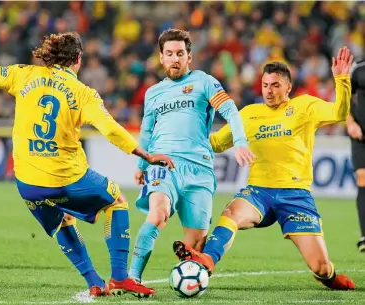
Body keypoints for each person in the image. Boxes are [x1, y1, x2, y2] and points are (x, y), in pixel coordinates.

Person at [0, 8, 174, 298]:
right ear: (78, 59)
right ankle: (120, 277)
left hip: (27, 183)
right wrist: (145, 155)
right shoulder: (83, 92)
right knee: (117, 201)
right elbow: (109, 128)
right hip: (65, 177)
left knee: (61, 222)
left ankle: (94, 282)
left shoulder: (23, 74)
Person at [174, 48, 356, 290]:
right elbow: (217, 143)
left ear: (288, 87)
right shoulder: (249, 114)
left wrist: (341, 80)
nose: (269, 91)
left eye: (275, 85)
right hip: (259, 192)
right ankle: (206, 260)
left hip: (295, 195)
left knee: (320, 267)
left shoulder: (305, 107)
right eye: (265, 85)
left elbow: (339, 112)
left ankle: (328, 275)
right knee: (230, 214)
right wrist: (185, 140)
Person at [129, 28, 255, 283]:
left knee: (196, 245)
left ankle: (188, 279)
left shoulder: (204, 82)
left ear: (189, 57)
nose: (175, 59)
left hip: (199, 169)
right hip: (164, 163)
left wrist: (240, 141)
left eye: (180, 53)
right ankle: (131, 278)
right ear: (161, 58)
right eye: (169, 54)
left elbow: (230, 110)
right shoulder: (153, 93)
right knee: (158, 213)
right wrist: (142, 163)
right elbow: (146, 130)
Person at [347, 57, 365, 252]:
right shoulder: (359, 68)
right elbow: (344, 97)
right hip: (361, 134)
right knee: (363, 178)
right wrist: (350, 122)